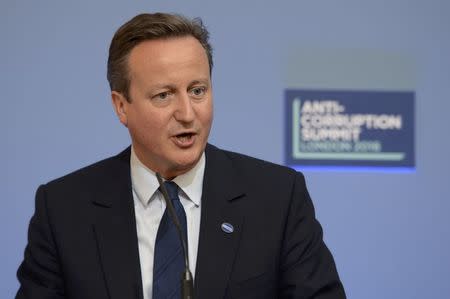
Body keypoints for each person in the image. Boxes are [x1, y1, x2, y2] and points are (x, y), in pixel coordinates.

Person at [16, 13, 346, 299]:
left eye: (197, 90)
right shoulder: (63, 210)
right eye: (164, 95)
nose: (188, 113)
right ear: (121, 106)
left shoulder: (277, 198)